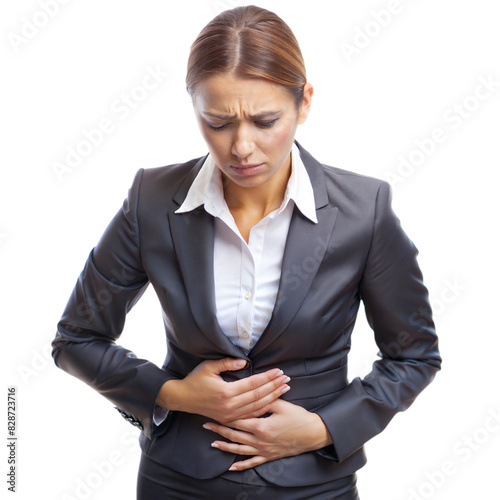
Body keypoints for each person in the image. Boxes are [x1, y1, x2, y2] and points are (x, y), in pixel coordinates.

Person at [52, 5, 441, 499]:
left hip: (313, 483)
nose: (241, 147)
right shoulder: (151, 200)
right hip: (176, 482)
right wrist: (172, 394)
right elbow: (77, 339)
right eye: (217, 122)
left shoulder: (365, 210)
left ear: (304, 104)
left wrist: (323, 429)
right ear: (193, 110)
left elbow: (414, 356)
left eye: (265, 120)